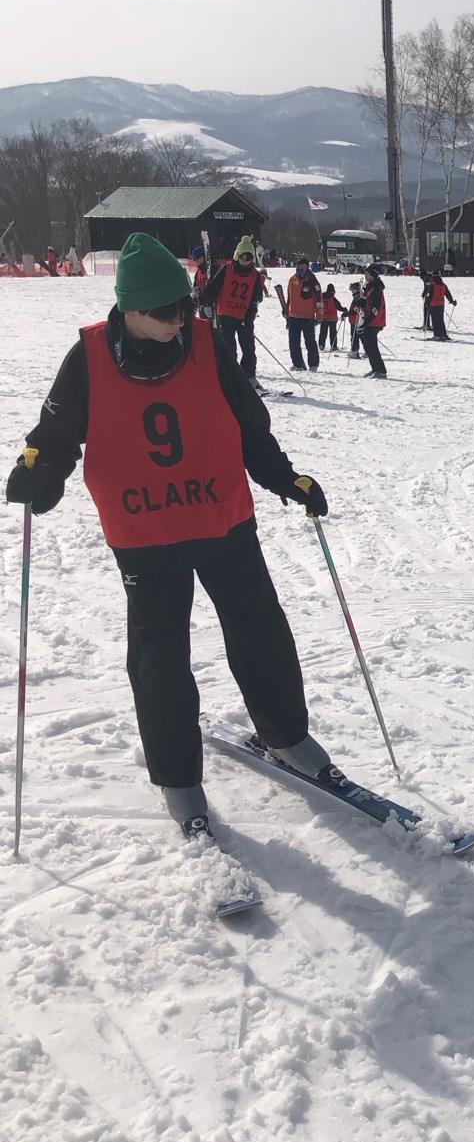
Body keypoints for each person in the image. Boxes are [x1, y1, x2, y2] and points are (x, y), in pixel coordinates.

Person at [3, 232, 350, 835]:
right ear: (128, 309)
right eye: (165, 312)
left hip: (223, 520)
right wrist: (38, 475)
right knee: (161, 655)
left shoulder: (207, 344)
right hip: (145, 535)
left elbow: (250, 429)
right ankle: (178, 778)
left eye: (186, 306)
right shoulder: (86, 358)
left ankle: (287, 735)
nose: (179, 320)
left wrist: (284, 479)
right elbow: (54, 440)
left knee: (261, 628)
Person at [200, 235, 266, 390]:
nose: (246, 262)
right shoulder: (227, 269)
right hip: (226, 315)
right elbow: (213, 289)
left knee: (249, 350)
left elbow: (256, 298)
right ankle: (230, 378)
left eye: (249, 259)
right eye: (243, 258)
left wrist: (249, 317)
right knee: (229, 350)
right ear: (237, 256)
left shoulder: (255, 275)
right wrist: (204, 301)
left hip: (244, 317)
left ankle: (249, 377)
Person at [284, 255, 321, 370]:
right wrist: (286, 310)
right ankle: (298, 364)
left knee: (310, 341)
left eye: (301, 266)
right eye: (297, 266)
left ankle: (313, 364)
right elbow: (289, 297)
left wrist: (319, 315)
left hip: (307, 316)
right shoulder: (292, 279)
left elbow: (319, 299)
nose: (298, 268)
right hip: (293, 316)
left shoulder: (312, 281)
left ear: (306, 267)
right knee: (293, 342)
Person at [360, 263, 387, 378]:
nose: (365, 275)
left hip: (374, 321)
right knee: (368, 345)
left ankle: (380, 370)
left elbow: (376, 307)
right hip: (369, 320)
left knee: (371, 346)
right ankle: (375, 368)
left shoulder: (376, 288)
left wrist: (367, 321)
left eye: (367, 273)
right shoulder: (370, 286)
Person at [427, 273, 456, 341]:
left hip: (433, 305)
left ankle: (437, 335)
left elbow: (429, 295)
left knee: (435, 320)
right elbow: (448, 294)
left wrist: (427, 303)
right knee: (440, 320)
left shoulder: (432, 285)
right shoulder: (444, 285)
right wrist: (452, 301)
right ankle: (443, 334)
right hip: (441, 304)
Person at [318, 283, 346, 351]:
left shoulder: (322, 297)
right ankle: (333, 345)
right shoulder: (333, 298)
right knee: (333, 333)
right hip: (332, 318)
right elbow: (338, 306)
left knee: (323, 332)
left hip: (323, 317)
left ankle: (321, 345)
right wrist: (344, 310)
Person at [347, 281, 364, 359]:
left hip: (356, 319)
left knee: (355, 337)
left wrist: (349, 313)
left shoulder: (358, 298)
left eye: (353, 289)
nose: (352, 291)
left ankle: (354, 351)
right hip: (354, 319)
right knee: (355, 336)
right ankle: (355, 350)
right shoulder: (356, 297)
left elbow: (357, 309)